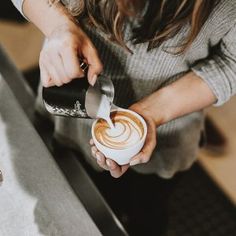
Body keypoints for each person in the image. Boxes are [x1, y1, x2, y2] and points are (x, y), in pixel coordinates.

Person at [11, 0, 236, 179]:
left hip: (167, 136)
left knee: (145, 211)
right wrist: (57, 25)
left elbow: (231, 63)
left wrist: (153, 112)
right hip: (68, 113)